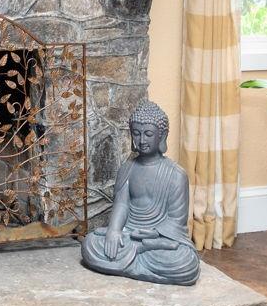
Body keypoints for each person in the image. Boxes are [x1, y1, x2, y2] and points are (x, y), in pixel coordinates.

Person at [80, 100, 200, 285]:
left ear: (162, 136)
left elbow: (176, 221)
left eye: (148, 134)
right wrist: (113, 231)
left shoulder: (176, 175)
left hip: (158, 239)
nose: (142, 140)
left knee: (186, 262)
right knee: (90, 244)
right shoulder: (128, 168)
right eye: (136, 133)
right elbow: (122, 204)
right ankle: (138, 258)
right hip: (129, 235)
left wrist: (152, 234)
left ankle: (129, 261)